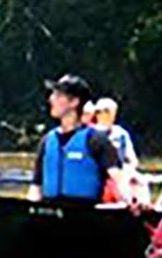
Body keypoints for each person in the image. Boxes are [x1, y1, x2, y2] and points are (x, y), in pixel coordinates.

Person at [27, 74, 137, 205]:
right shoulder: (47, 141)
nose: (51, 99)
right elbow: (35, 188)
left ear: (74, 102)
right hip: (50, 214)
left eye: (57, 95)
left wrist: (132, 202)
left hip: (85, 215)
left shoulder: (96, 140)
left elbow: (119, 180)